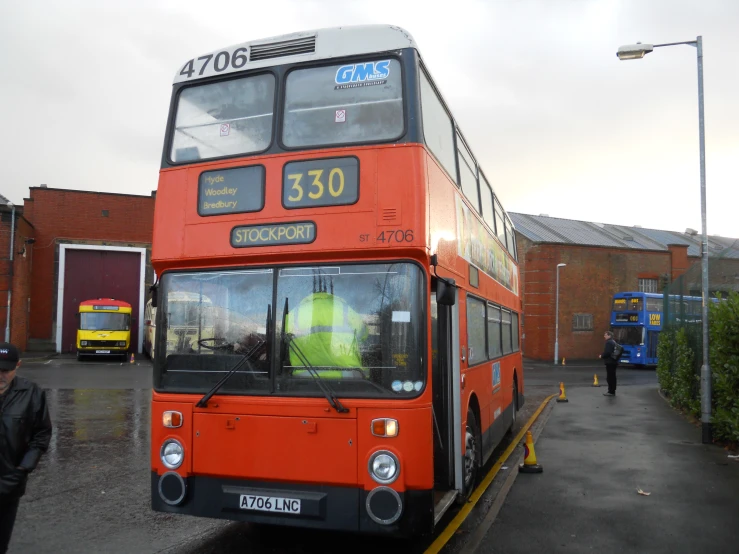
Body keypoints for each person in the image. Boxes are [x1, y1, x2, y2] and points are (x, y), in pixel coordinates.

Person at [0, 343, 52, 554]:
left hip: (9, 484)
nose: (0, 376)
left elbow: (41, 434)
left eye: (6, 370)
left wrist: (22, 470)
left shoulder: (31, 393)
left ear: (18, 365)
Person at [285, 283, 368, 379]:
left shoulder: (294, 314)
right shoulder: (345, 310)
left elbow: (283, 339)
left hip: (305, 378)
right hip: (347, 378)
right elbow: (363, 335)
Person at [598, 331, 619, 396]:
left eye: (605, 335)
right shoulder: (613, 341)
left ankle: (611, 391)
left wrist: (601, 356)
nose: (604, 336)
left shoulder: (609, 342)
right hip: (614, 361)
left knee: (610, 377)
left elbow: (607, 352)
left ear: (609, 336)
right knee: (613, 377)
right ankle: (613, 390)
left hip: (610, 362)